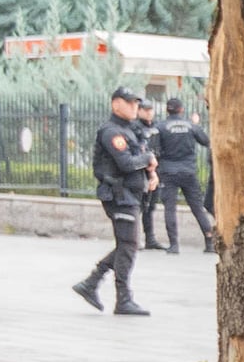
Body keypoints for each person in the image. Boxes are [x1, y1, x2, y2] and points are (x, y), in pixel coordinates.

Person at [74, 91, 156, 315]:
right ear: (116, 104)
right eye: (130, 103)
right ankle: (122, 299)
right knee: (128, 245)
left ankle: (91, 283)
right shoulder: (111, 131)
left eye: (136, 104)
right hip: (118, 195)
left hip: (130, 195)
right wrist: (148, 160)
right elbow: (127, 163)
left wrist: (151, 174)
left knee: (126, 245)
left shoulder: (130, 130)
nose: (134, 108)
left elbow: (140, 155)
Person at [147, 94, 216, 254]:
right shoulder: (191, 126)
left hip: (168, 171)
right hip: (188, 171)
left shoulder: (161, 127)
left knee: (169, 208)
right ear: (181, 109)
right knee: (198, 208)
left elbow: (154, 149)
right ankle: (209, 242)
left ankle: (174, 245)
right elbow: (207, 141)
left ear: (167, 110)